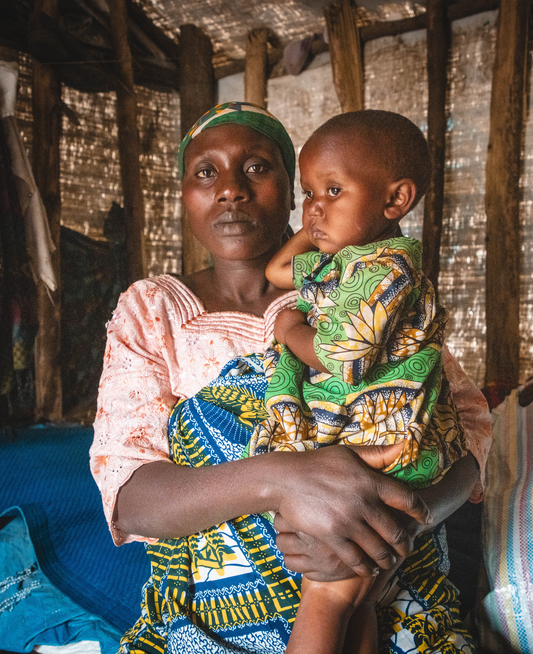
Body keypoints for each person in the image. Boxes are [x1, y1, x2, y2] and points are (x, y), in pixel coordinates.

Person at [90, 102, 492, 654]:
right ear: (184, 194)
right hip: (212, 625)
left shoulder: (364, 287)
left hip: (393, 596)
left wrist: (384, 528)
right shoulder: (154, 310)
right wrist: (288, 479)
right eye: (205, 172)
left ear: (291, 184)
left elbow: (464, 437)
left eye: (256, 166)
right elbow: (129, 495)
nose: (230, 189)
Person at [249, 110, 471, 653]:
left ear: (395, 201)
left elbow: (338, 357)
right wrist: (320, 220)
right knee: (356, 601)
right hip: (366, 446)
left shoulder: (386, 270)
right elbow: (278, 272)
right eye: (307, 193)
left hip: (380, 449)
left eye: (332, 189)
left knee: (326, 597)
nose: (314, 207)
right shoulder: (347, 263)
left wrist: (290, 326)